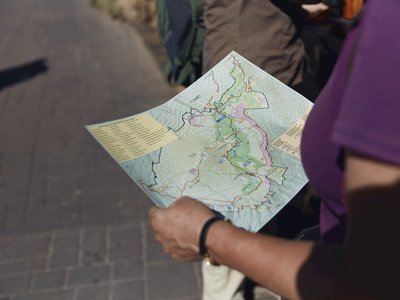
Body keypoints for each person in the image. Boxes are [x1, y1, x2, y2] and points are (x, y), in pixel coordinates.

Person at [149, 0, 400, 298]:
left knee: (242, 195)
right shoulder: (386, 21)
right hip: (255, 56)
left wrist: (209, 236)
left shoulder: (389, 22)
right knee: (239, 194)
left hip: (252, 51)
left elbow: (369, 282)